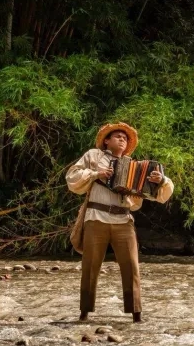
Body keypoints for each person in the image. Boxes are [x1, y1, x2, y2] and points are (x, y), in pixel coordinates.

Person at [66, 122, 174, 323]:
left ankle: (136, 314)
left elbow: (157, 195)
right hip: (95, 217)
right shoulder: (93, 156)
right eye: (117, 136)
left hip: (123, 219)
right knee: (90, 266)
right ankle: (84, 312)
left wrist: (161, 180)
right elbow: (72, 177)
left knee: (131, 265)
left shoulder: (134, 165)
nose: (122, 139)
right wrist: (97, 174)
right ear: (106, 141)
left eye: (124, 138)